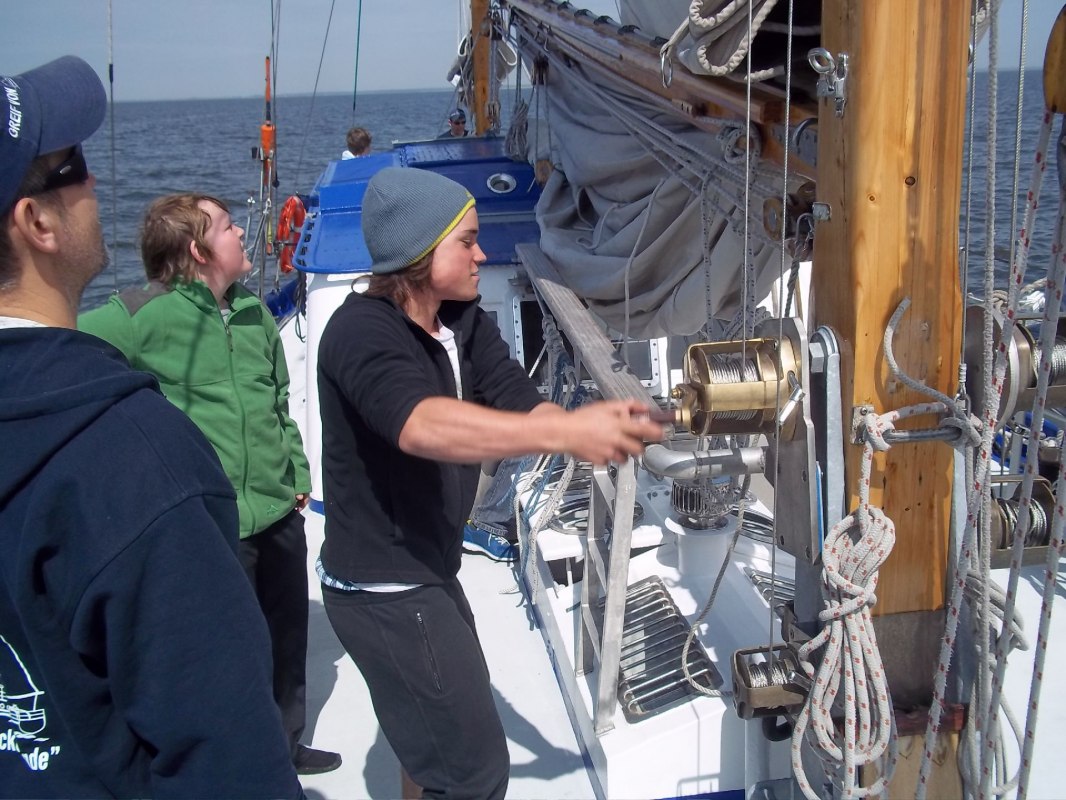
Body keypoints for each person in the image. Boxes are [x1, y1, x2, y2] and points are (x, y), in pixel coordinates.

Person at [0, 57, 303, 797]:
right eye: (70, 165)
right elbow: (230, 766)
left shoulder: (253, 318)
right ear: (36, 222)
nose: (97, 181)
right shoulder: (137, 463)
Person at [316, 166, 664, 799]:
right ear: (420, 252)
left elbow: (513, 393)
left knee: (433, 754)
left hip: (428, 568)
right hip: (383, 587)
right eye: (466, 241)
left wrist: (590, 426)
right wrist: (563, 437)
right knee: (473, 774)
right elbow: (420, 425)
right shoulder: (358, 333)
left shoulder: (459, 318)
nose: (482, 254)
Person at [79, 192, 341, 776]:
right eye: (227, 227)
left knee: (286, 637)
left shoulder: (252, 314)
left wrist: (297, 473)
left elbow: (277, 402)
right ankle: (239, 760)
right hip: (209, 521)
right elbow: (61, 344)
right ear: (197, 250)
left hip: (278, 511)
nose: (242, 234)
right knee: (225, 649)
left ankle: (285, 744)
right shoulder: (140, 314)